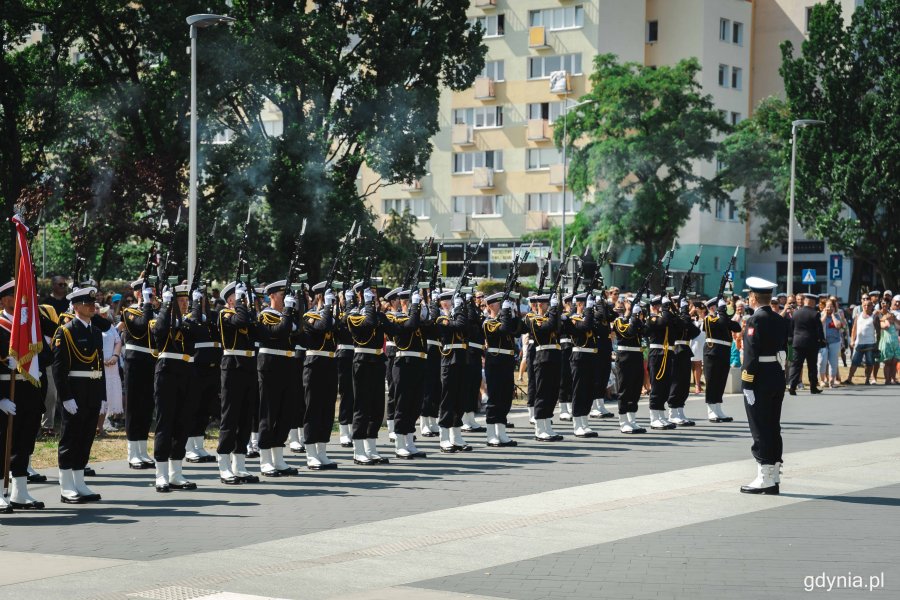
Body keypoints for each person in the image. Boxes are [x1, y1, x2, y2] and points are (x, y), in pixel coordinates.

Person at [53, 285, 105, 504]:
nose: (92, 307)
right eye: (88, 304)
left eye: (94, 303)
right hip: (75, 390)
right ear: (75, 306)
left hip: (92, 390)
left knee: (86, 438)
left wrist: (103, 397)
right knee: (71, 437)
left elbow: (99, 365)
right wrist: (66, 396)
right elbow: (59, 367)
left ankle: (79, 481)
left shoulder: (95, 331)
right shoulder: (66, 331)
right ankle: (66, 486)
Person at [149, 284, 203, 493]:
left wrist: (197, 305)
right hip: (167, 371)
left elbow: (198, 332)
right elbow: (159, 331)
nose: (184, 304)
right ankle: (161, 475)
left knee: (183, 422)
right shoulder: (160, 319)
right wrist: (165, 306)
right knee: (165, 423)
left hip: (187, 371)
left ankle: (176, 473)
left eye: (185, 301)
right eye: (179, 301)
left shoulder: (188, 322)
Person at [739, 277, 789, 495]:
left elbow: (750, 355)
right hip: (776, 376)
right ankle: (774, 473)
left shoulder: (754, 321)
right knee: (773, 425)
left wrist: (746, 382)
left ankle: (765, 476)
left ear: (752, 297)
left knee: (759, 427)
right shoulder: (779, 319)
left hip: (759, 378)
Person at [0, 280, 46, 510]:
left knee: (24, 441)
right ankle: (0, 491)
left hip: (27, 389)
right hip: (4, 391)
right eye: (14, 296)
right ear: (4, 299)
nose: (20, 301)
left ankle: (20, 491)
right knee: (2, 442)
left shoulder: (29, 327)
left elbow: (44, 355)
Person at [216, 281, 260, 484]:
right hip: (232, 365)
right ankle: (224, 464)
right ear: (231, 300)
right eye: (240, 297)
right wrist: (242, 302)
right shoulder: (225, 314)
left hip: (249, 366)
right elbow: (240, 321)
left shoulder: (245, 313)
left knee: (245, 416)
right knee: (230, 416)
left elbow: (256, 329)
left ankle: (239, 465)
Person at [256, 280, 300, 477]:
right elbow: (278, 332)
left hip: (288, 366)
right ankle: (265, 459)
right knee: (269, 412)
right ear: (272, 296)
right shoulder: (265, 315)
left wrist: (298, 309)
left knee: (286, 412)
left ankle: (278, 458)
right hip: (270, 366)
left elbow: (300, 336)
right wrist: (289, 312)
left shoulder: (287, 316)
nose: (285, 299)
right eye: (282, 295)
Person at [346, 282, 390, 464]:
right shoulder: (354, 315)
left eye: (374, 293)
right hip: (362, 362)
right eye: (369, 293)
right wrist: (369, 305)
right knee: (362, 407)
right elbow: (368, 324)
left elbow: (397, 331)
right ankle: (358, 450)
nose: (373, 295)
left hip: (378, 362)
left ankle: (371, 448)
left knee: (377, 407)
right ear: (360, 296)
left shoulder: (378, 314)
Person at [385, 287, 430, 458]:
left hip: (419, 362)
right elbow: (410, 326)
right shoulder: (395, 318)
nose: (415, 306)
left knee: (415, 404)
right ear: (404, 302)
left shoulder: (417, 319)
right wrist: (416, 308)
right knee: (402, 404)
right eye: (411, 302)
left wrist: (426, 303)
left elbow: (429, 325)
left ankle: (410, 442)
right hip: (403, 363)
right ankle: (399, 444)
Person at [302, 282, 340, 469]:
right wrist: (326, 307)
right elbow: (322, 326)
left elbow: (340, 331)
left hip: (330, 363)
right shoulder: (309, 316)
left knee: (327, 409)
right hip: (314, 364)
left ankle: (322, 451)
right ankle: (310, 453)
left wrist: (337, 308)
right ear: (319, 297)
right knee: (313, 409)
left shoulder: (331, 316)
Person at [121, 279, 157, 470]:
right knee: (134, 408)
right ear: (136, 293)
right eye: (145, 292)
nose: (149, 294)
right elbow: (143, 326)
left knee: (146, 408)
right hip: (134, 363)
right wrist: (148, 305)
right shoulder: (129, 311)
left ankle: (142, 450)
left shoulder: (152, 310)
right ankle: (132, 452)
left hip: (151, 362)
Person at [433, 289, 471, 452]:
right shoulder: (440, 318)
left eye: (451, 300)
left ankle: (456, 436)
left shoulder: (458, 316)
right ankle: (444, 437)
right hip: (448, 360)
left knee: (460, 399)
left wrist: (459, 311)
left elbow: (466, 327)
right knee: (447, 399)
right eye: (445, 301)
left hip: (462, 359)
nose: (448, 303)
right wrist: (456, 312)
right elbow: (459, 326)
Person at [482, 292, 521, 447]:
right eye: (500, 304)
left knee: (505, 397)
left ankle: (501, 432)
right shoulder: (488, 322)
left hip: (507, 362)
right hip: (495, 362)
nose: (503, 306)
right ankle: (491, 433)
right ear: (491, 306)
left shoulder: (506, 318)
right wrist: (505, 312)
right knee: (495, 397)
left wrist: (514, 311)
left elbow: (520, 329)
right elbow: (504, 330)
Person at [524, 292, 562, 441]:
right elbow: (549, 327)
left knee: (552, 393)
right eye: (548, 304)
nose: (550, 307)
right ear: (541, 304)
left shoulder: (551, 316)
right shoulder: (535, 319)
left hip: (555, 356)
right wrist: (554, 310)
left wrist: (556, 311)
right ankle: (540, 428)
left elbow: (559, 327)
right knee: (542, 393)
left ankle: (548, 425)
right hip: (542, 358)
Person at [703, 298, 741, 422]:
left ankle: (718, 409)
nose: (723, 310)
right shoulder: (709, 319)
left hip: (724, 353)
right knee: (712, 381)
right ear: (712, 308)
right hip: (712, 353)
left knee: (720, 381)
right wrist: (722, 313)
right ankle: (711, 410)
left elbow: (737, 328)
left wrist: (725, 315)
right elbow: (722, 322)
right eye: (720, 307)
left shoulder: (723, 320)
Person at [612, 297, 645, 433]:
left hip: (637, 356)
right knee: (624, 389)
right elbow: (629, 333)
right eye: (629, 304)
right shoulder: (619, 321)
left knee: (635, 389)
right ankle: (623, 421)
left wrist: (638, 317)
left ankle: (632, 420)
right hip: (625, 357)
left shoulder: (636, 320)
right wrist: (633, 317)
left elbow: (646, 331)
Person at [787, 293, 825, 395]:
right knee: (812, 366)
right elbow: (819, 330)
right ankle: (813, 387)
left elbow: (792, 327)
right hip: (811, 344)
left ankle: (792, 386)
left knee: (796, 365)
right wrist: (822, 341)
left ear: (805, 301)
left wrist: (792, 339)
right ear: (812, 302)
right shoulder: (815, 314)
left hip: (798, 343)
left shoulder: (796, 313)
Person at [844, 299, 880, 385]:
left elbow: (878, 332)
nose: (866, 307)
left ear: (872, 307)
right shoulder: (858, 315)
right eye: (865, 305)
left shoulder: (874, 317)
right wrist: (852, 340)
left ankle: (867, 379)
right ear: (862, 306)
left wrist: (877, 343)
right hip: (859, 343)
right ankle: (849, 379)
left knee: (869, 362)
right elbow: (854, 329)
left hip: (870, 343)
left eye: (869, 305)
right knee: (855, 362)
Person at [99, 307, 123, 433]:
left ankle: (103, 425)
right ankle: (95, 426)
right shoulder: (91, 325)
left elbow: (118, 341)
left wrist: (115, 356)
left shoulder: (109, 326)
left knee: (109, 394)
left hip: (111, 366)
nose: (102, 313)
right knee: (98, 395)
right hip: (97, 365)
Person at [818, 299, 844, 388]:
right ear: (824, 307)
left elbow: (838, 325)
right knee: (822, 361)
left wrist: (832, 315)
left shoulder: (837, 315)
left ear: (834, 307)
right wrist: (825, 314)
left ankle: (831, 381)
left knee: (833, 363)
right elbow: (819, 324)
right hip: (823, 343)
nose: (829, 308)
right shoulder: (821, 315)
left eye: (831, 306)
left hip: (835, 342)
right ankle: (822, 380)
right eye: (827, 306)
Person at [877, 311, 899, 385]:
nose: (891, 318)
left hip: (895, 344)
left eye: (892, 317)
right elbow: (886, 326)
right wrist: (886, 320)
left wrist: (895, 320)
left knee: (894, 362)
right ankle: (887, 379)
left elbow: (898, 327)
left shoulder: (894, 323)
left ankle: (893, 378)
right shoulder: (883, 322)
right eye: (890, 317)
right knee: (888, 362)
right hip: (887, 344)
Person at [689, 303, 706, 394]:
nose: (698, 310)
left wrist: (702, 313)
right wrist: (691, 311)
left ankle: (698, 384)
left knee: (700, 364)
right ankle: (696, 385)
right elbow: (683, 318)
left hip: (703, 343)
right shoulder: (691, 319)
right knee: (695, 364)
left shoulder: (706, 319)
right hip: (693, 343)